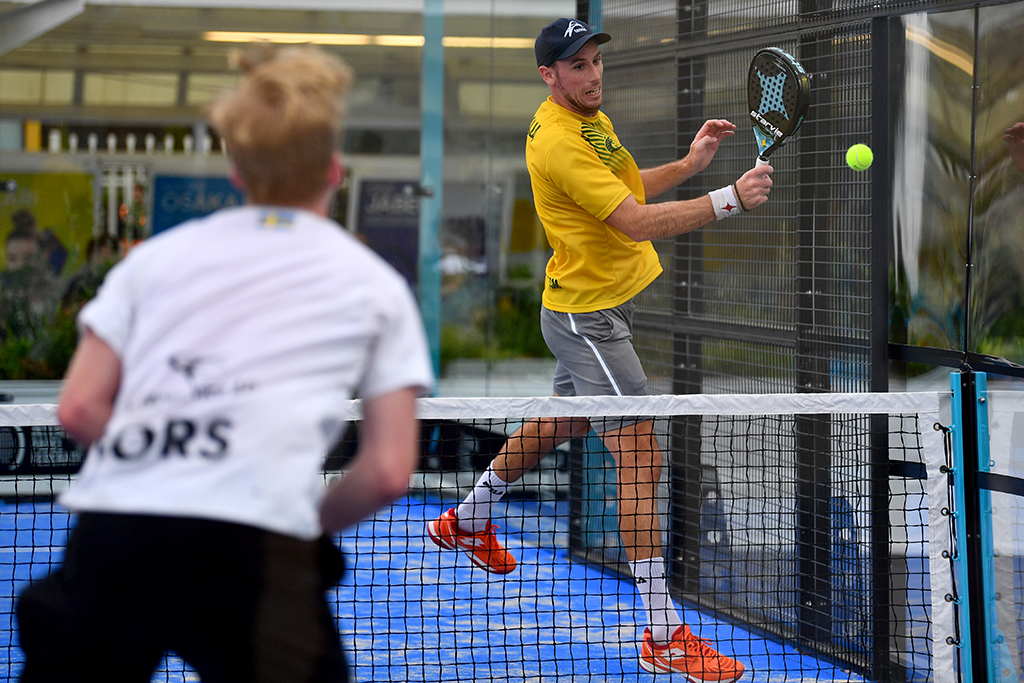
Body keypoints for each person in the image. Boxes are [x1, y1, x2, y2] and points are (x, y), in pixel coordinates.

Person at [16, 44, 434, 683]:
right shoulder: (375, 285)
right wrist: (306, 523)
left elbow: (77, 408)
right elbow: (386, 470)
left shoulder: (152, 260)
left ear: (235, 171)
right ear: (334, 169)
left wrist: (165, 460)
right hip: (256, 548)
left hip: (116, 533)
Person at [428, 17, 773, 681]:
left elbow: (623, 185)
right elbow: (635, 221)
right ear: (547, 75)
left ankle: (466, 521)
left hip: (589, 305)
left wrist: (690, 165)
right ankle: (663, 632)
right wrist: (728, 198)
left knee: (564, 420)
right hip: (590, 318)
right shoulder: (558, 140)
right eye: (576, 66)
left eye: (594, 62)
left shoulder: (589, 120)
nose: (591, 75)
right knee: (639, 457)